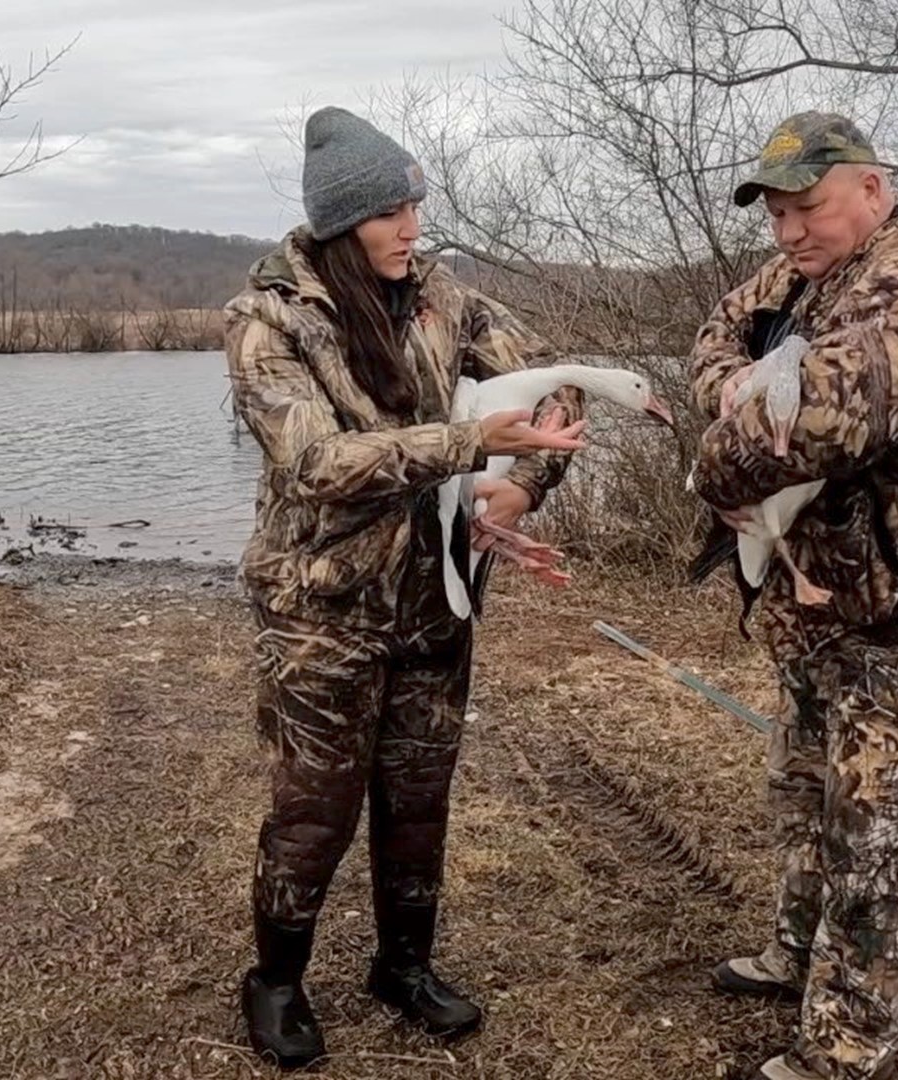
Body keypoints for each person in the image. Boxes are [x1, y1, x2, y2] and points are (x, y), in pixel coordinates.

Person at [223, 106, 587, 1069]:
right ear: (344, 223)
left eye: (415, 204)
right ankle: (276, 980)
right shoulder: (268, 321)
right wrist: (469, 444)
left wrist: (521, 484)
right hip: (323, 610)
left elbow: (553, 388)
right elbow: (316, 465)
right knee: (317, 805)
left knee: (420, 794)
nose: (412, 226)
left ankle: (403, 966)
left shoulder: (443, 295)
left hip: (437, 600)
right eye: (391, 211)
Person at [688, 112, 898, 1080]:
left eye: (808, 207)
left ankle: (847, 1047)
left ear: (872, 191)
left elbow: (822, 419)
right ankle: (793, 955)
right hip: (834, 597)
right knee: (801, 783)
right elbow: (719, 333)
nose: (790, 232)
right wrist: (740, 384)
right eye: (778, 214)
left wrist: (720, 455)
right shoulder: (805, 273)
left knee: (876, 830)